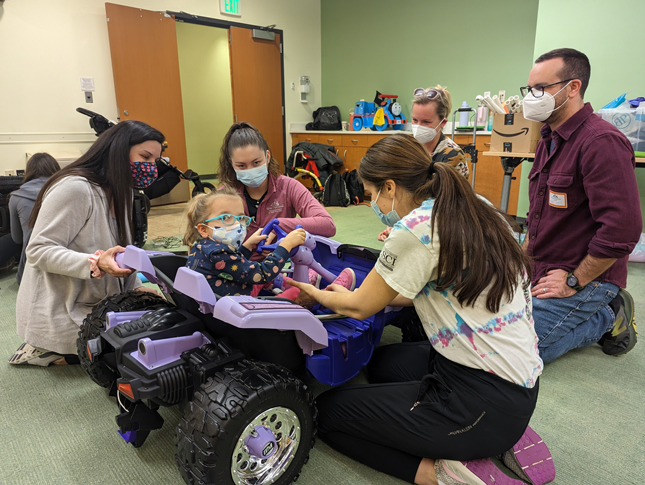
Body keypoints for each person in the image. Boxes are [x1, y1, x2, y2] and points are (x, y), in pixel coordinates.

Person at [286, 134, 544, 485]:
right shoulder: (473, 204)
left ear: (389, 188)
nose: (369, 203)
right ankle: (485, 435)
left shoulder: (416, 228)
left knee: (327, 414)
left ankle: (444, 472)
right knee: (381, 364)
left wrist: (315, 293)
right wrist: (361, 294)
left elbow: (360, 308)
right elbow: (423, 288)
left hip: (482, 401)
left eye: (368, 193)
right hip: (514, 379)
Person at [521, 48, 642, 363]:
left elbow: (623, 230)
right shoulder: (549, 138)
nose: (532, 97)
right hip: (544, 267)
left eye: (540, 89)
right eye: (529, 89)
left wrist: (574, 280)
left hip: (584, 276)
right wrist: (518, 260)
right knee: (484, 322)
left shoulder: (601, 143)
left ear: (572, 88)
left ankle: (606, 315)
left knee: (518, 353)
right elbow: (540, 215)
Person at [10, 120, 164, 366]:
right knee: (115, 358)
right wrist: (95, 263)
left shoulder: (121, 192)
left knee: (160, 325)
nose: (150, 168)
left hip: (101, 299)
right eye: (145, 157)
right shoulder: (75, 188)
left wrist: (135, 287)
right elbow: (38, 250)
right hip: (64, 306)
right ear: (117, 151)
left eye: (154, 162)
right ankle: (42, 348)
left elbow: (119, 251)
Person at [183, 187, 355, 300]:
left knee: (260, 274)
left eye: (241, 218)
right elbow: (262, 274)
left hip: (227, 293)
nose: (237, 225)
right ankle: (330, 294)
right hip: (241, 305)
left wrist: (247, 246)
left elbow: (231, 267)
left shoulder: (203, 248)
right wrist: (285, 246)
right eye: (225, 218)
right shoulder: (218, 253)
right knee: (296, 293)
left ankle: (297, 282)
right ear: (203, 229)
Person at [217, 122, 336, 259]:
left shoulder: (288, 186)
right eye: (241, 166)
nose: (250, 170)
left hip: (277, 268)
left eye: (256, 162)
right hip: (236, 271)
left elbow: (328, 225)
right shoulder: (223, 197)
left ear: (267, 157)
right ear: (231, 164)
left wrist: (279, 224)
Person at [378, 85, 468, 242]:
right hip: (414, 224)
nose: (418, 127)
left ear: (443, 122)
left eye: (426, 122)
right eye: (414, 120)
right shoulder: (410, 149)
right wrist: (396, 225)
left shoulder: (453, 156)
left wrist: (405, 227)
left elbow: (449, 208)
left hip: (443, 228)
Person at [8, 152, 61, 284]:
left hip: (31, 270)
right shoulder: (68, 190)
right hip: (64, 261)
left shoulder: (16, 196)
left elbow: (17, 239)